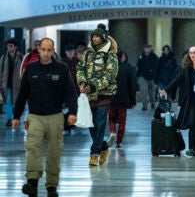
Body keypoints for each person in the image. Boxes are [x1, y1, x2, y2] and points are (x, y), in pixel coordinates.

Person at [12, 37, 77, 197]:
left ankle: (52, 187)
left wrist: (73, 113)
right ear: (38, 50)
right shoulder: (31, 68)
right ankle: (32, 182)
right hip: (34, 117)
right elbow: (22, 94)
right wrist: (16, 116)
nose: (46, 53)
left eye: (49, 50)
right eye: (43, 50)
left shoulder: (62, 69)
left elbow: (71, 92)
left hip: (55, 116)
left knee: (54, 152)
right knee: (33, 148)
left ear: (53, 51)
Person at [76, 23, 118, 166]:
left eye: (97, 37)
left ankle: (94, 153)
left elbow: (110, 75)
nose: (94, 39)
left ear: (103, 38)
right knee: (91, 123)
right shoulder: (87, 53)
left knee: (100, 122)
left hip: (105, 93)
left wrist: (93, 86)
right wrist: (82, 83)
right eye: (93, 36)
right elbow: (80, 68)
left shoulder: (110, 55)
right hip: (89, 94)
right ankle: (104, 147)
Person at [107, 51, 137, 149]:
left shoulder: (109, 68)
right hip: (123, 100)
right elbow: (132, 86)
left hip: (111, 99)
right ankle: (119, 142)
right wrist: (133, 101)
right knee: (122, 121)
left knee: (111, 118)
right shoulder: (128, 68)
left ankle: (112, 132)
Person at [0, 39, 23, 126]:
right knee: (8, 101)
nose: (9, 48)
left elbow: (24, 70)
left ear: (15, 47)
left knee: (17, 102)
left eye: (11, 46)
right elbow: (0, 71)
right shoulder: (3, 58)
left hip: (17, 84)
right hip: (7, 84)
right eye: (8, 46)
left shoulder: (20, 56)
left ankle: (16, 118)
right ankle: (9, 119)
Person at [136, 44, 158, 111]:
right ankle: (144, 105)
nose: (148, 49)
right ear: (144, 49)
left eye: (149, 48)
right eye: (146, 48)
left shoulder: (155, 57)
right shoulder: (141, 57)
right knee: (144, 92)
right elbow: (138, 67)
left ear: (151, 49)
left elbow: (157, 67)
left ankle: (153, 104)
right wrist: (138, 76)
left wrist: (156, 78)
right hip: (143, 77)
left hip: (152, 77)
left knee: (152, 92)